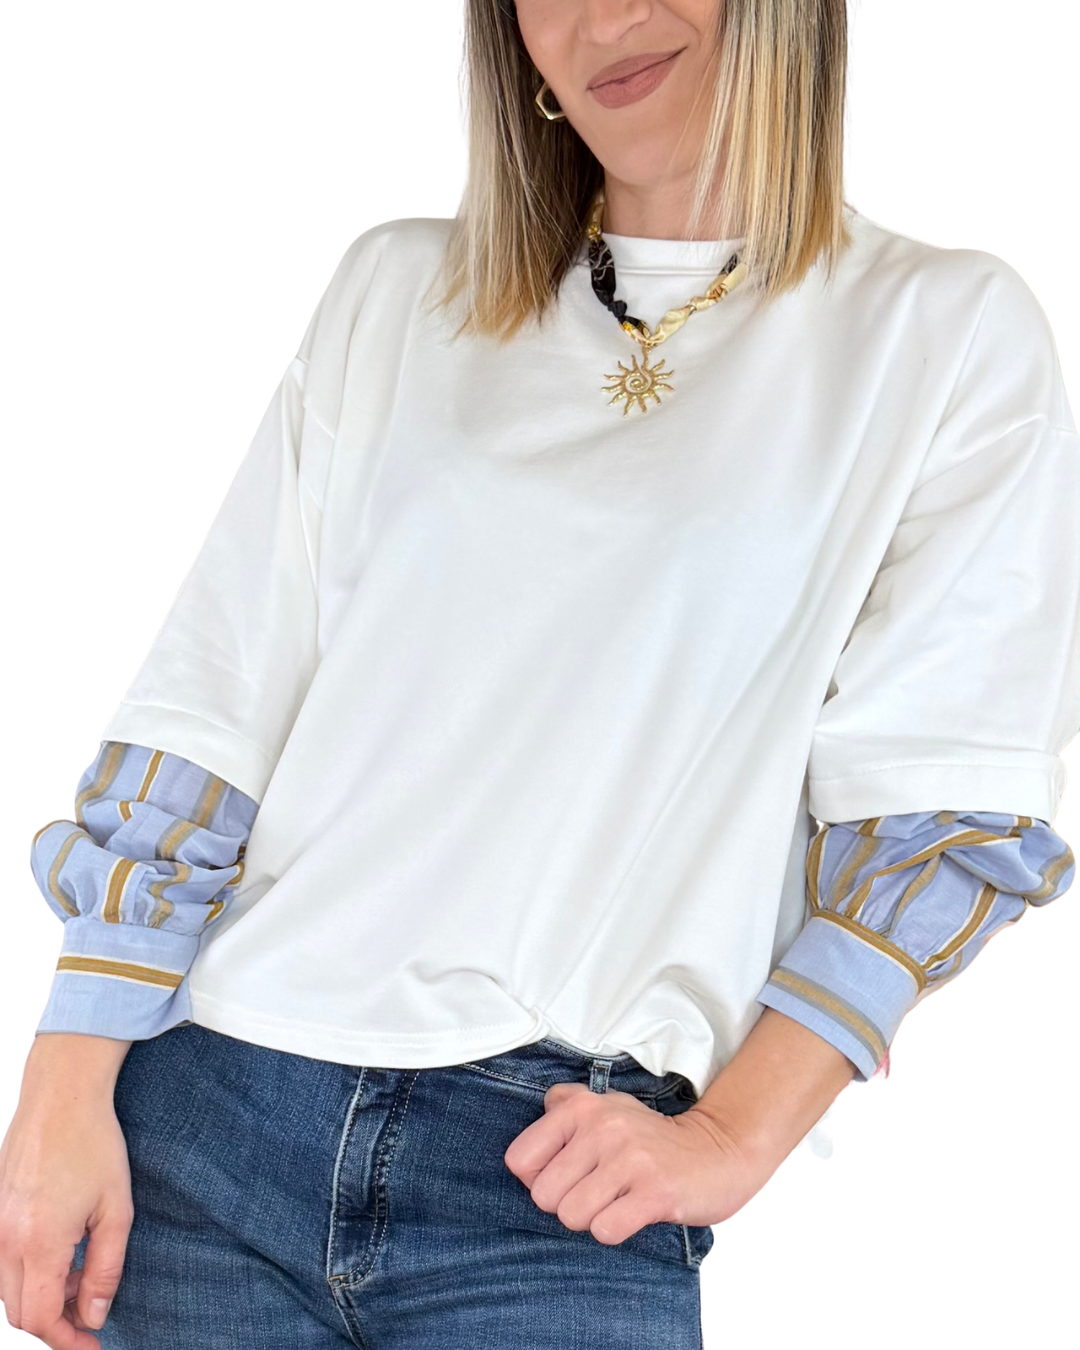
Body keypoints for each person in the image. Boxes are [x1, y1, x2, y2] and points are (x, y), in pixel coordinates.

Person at [2, 1, 1078, 1346]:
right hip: (209, 1127)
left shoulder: (942, 333)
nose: (604, 17)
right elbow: (215, 705)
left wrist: (734, 1135)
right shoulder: (400, 291)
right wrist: (63, 1078)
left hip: (555, 1181)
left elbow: (941, 817)